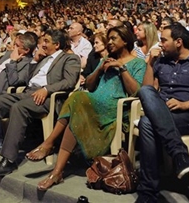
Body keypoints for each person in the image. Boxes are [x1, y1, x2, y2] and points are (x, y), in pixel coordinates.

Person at [26, 25, 146, 191]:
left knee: (77, 97)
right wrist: (100, 70)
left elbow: (136, 91)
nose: (109, 42)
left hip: (115, 108)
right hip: (93, 102)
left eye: (113, 39)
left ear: (125, 41)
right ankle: (56, 172)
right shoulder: (106, 59)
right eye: (108, 39)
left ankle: (49, 144)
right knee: (77, 104)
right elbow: (89, 85)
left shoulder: (138, 63)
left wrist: (121, 68)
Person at [0, 30, 80, 177]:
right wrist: (35, 61)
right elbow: (25, 80)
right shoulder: (43, 58)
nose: (42, 44)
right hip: (28, 92)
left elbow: (69, 82)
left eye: (47, 41)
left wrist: (46, 89)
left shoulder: (70, 58)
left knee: (18, 107)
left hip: (47, 98)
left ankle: (8, 160)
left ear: (57, 45)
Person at [135, 24, 189, 203]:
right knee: (144, 93)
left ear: (179, 42)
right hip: (162, 110)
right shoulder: (161, 61)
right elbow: (147, 88)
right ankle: (179, 153)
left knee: (146, 123)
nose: (160, 44)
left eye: (164, 40)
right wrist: (150, 63)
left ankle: (147, 193)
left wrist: (185, 105)